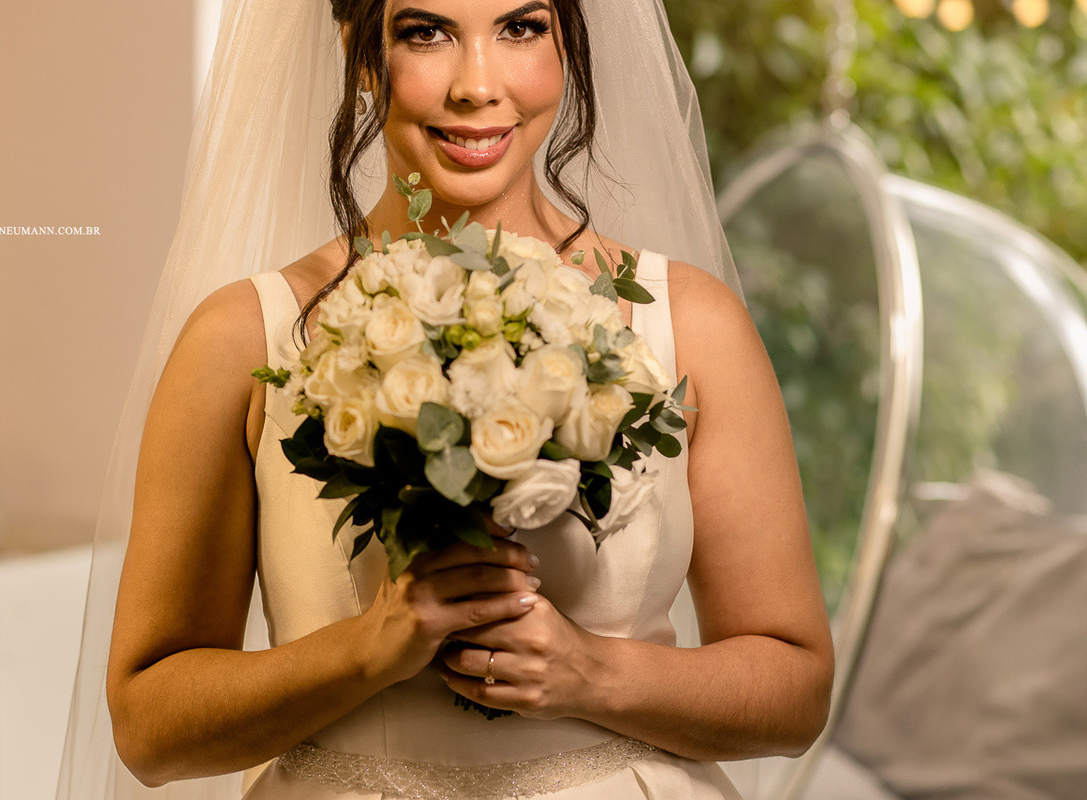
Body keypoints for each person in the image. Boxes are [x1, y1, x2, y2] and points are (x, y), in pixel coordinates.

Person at [57, 1, 834, 798]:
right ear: (361, 55)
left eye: (521, 28)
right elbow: (149, 732)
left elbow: (795, 693)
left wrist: (592, 674)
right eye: (424, 33)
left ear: (568, 42)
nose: (477, 85)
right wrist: (366, 652)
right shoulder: (241, 340)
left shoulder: (692, 325)